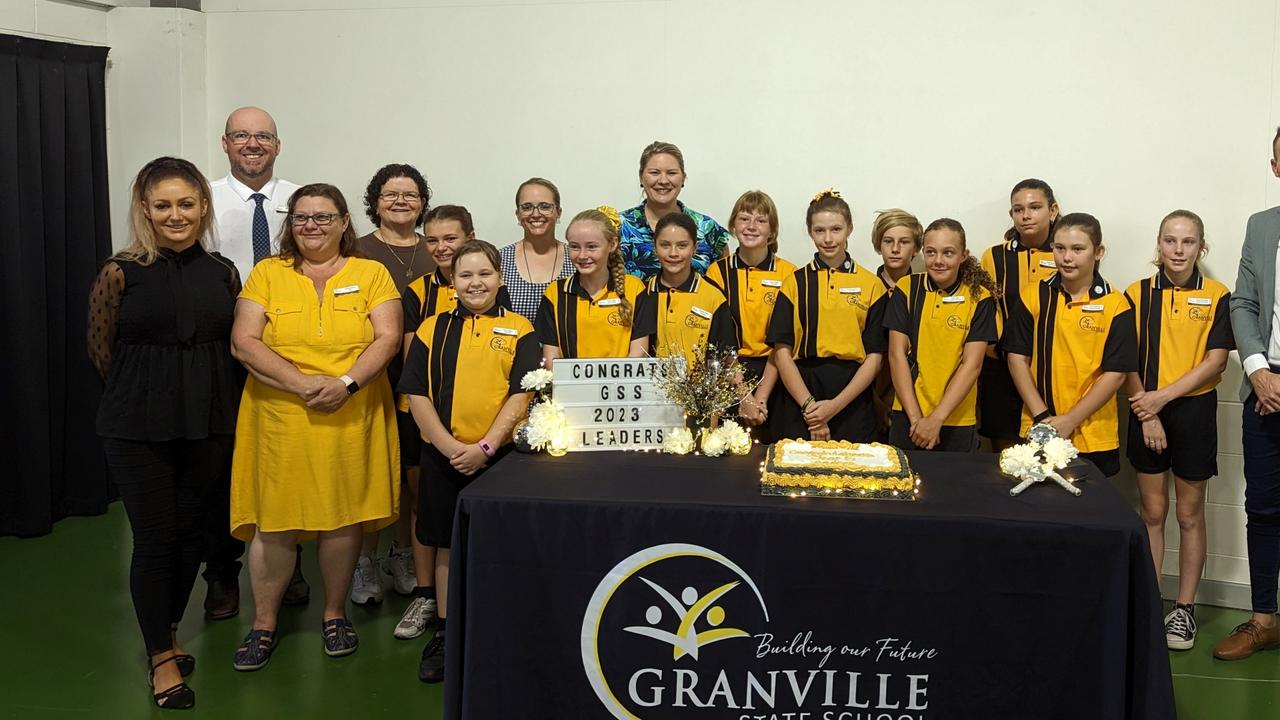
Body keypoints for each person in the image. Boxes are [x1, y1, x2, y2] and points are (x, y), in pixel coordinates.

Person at [87, 157, 241, 709]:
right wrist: (145, 395)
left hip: (207, 423)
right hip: (136, 427)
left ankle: (170, 630)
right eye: (163, 205)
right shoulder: (120, 271)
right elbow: (101, 350)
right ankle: (159, 657)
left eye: (186, 203)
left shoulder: (223, 271)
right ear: (145, 211)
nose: (175, 215)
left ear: (202, 207)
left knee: (192, 536)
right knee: (154, 539)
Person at [228, 184, 402, 670]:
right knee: (275, 520)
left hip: (351, 411)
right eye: (302, 217)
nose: (311, 225)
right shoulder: (268, 273)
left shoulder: (371, 273)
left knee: (342, 517)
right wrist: (303, 383)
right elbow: (244, 340)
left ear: (345, 222)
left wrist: (345, 383)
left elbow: (387, 338)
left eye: (324, 217)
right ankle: (263, 623)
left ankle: (333, 613)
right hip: (279, 416)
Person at [398, 240, 540, 683]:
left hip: (499, 458)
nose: (475, 283)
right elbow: (416, 393)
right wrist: (447, 447)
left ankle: (501, 628)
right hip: (443, 457)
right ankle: (445, 630)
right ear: (452, 282)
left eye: (484, 274)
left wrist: (484, 448)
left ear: (500, 278)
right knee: (445, 543)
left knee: (501, 543)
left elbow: (522, 393)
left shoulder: (521, 330)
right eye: (465, 276)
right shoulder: (430, 329)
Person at [206, 106, 307, 618]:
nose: (253, 144)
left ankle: (292, 566)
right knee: (227, 464)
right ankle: (222, 571)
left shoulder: (300, 201)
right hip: (225, 349)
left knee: (290, 459)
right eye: (242, 136)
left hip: (292, 351)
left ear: (278, 144)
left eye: (263, 136)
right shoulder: (206, 201)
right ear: (225, 143)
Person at [1123, 210, 1232, 651]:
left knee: (1189, 514)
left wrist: (1161, 400)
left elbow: (1216, 360)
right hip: (1143, 408)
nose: (1178, 250)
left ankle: (1184, 609)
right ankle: (1150, 602)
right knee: (1151, 512)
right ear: (1159, 244)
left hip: (1191, 411)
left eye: (1188, 242)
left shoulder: (1219, 295)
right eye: (1170, 241)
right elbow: (1124, 359)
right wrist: (1147, 414)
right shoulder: (1135, 294)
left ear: (1201, 247)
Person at [349, 163, 435, 607]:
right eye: (390, 194)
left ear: (422, 203)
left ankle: (402, 554)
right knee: (374, 470)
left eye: (410, 194)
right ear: (375, 201)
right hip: (370, 376)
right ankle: (364, 559)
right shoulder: (356, 250)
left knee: (410, 476)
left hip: (420, 381)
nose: (400, 201)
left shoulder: (436, 249)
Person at [1002, 212, 1136, 477]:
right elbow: (1016, 358)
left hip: (1094, 433)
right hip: (1039, 427)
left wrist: (1071, 419)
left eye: (1078, 249)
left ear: (1098, 252)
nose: (1067, 257)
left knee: (1090, 514)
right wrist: (1043, 418)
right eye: (1059, 248)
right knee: (1038, 511)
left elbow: (1116, 374)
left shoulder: (1116, 304)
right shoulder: (1033, 295)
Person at [1218, 127, 1280, 660]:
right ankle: (1263, 620)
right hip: (1266, 387)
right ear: (1275, 166)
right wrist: (1258, 369)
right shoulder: (1260, 227)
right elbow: (1243, 303)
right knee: (1261, 507)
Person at [767, 189, 889, 442]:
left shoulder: (872, 285)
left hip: (852, 398)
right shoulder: (794, 283)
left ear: (850, 229)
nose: (828, 238)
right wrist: (810, 407)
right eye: (819, 231)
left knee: (853, 478)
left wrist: (834, 407)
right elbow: (781, 352)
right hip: (800, 395)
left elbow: (875, 357)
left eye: (836, 229)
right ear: (810, 231)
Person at [884, 218, 997, 452]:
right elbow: (896, 355)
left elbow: (972, 365)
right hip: (907, 414)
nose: (938, 261)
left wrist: (936, 420)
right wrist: (917, 420)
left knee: (953, 487)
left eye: (948, 253)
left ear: (963, 255)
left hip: (957, 419)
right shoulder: (907, 288)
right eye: (931, 252)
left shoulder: (980, 297)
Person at [706, 191, 798, 439]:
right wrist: (744, 395)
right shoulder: (717, 273)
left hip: (777, 375)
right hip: (731, 375)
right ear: (733, 226)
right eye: (744, 218)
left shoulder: (789, 274)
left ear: (773, 231)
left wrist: (761, 397)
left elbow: (784, 341)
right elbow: (720, 342)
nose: (751, 226)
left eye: (761, 220)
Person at [979, 179, 1061, 453]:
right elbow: (987, 311)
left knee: (1047, 453)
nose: (1026, 215)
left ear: (1053, 211)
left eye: (1035, 207)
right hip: (1002, 370)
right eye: (1018, 209)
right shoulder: (993, 256)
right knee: (1004, 455)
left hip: (1049, 368)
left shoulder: (1067, 252)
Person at [536, 206, 644, 363]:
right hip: (571, 388)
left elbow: (639, 354)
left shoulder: (634, 289)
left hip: (620, 386)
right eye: (574, 247)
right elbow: (551, 356)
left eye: (592, 247)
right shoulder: (555, 293)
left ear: (613, 244)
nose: (582, 255)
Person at [628, 212, 738, 364]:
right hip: (648, 387)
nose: (673, 253)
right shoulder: (642, 294)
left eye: (682, 246)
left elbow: (727, 360)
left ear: (694, 247)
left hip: (699, 387)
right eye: (665, 245)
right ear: (655, 247)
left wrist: (744, 388)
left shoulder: (713, 296)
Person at [619, 141, 731, 279]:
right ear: (641, 177)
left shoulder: (708, 229)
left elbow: (724, 287)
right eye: (654, 173)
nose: (663, 180)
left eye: (671, 173)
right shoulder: (618, 227)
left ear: (683, 178)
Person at [869, 209, 924, 438]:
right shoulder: (867, 289)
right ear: (878, 244)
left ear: (916, 248)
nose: (894, 249)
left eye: (904, 242)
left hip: (914, 397)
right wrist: (876, 402)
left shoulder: (924, 291)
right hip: (868, 392)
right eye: (888, 241)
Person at [499, 178, 574, 323]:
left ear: (558, 212)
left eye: (544, 206)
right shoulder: (499, 260)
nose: (535, 213)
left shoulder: (577, 259)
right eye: (527, 207)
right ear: (518, 215)